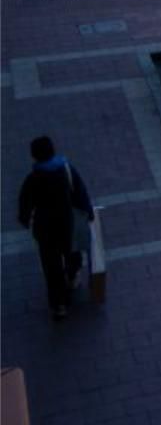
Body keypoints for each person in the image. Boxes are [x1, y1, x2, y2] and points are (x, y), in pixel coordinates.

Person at [16, 136, 94, 321]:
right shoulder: (66, 170)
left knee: (51, 267)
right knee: (72, 252)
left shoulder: (33, 179)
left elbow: (25, 202)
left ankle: (59, 305)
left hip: (45, 230)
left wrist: (25, 219)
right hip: (68, 224)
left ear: (34, 156)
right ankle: (73, 275)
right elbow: (80, 193)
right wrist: (88, 212)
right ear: (53, 150)